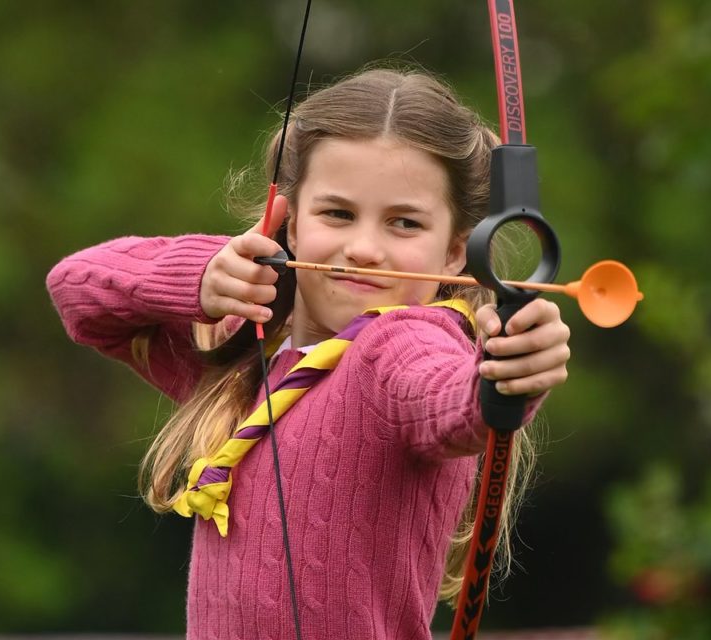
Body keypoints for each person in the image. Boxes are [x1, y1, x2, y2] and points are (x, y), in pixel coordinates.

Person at [47, 68, 570, 639]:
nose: (364, 248)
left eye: (404, 223)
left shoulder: (402, 344)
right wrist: (202, 273)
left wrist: (508, 375)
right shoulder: (243, 361)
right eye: (337, 213)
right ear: (288, 220)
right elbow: (76, 289)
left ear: (452, 253)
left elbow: (453, 402)